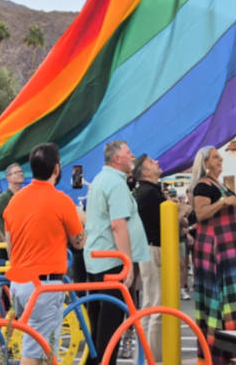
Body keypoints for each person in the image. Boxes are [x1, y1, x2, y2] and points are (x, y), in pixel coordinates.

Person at [4, 142, 84, 365]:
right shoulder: (61, 201)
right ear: (56, 169)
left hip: (18, 284)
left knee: (40, 349)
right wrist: (82, 221)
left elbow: (9, 243)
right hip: (43, 286)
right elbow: (78, 242)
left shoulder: (15, 200)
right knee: (35, 353)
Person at [84, 140, 149, 365]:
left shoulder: (103, 179)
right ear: (117, 158)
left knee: (100, 320)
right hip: (111, 260)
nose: (132, 156)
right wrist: (127, 263)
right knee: (110, 322)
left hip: (100, 258)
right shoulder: (115, 183)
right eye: (128, 152)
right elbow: (118, 225)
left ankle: (97, 361)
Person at [191, 146, 236, 365]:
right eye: (215, 157)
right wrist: (223, 202)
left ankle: (229, 351)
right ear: (205, 163)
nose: (220, 160)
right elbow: (200, 214)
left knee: (229, 298)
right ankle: (216, 352)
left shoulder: (219, 184)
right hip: (215, 249)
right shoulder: (203, 186)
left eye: (220, 157)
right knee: (217, 299)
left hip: (229, 251)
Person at [133, 153, 167, 361]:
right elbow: (165, 218)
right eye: (152, 162)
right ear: (145, 172)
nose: (157, 163)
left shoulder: (145, 192)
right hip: (155, 249)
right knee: (157, 303)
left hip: (148, 249)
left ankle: (145, 354)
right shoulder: (150, 194)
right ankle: (154, 356)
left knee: (149, 303)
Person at [0, 162, 25, 257]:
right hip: (8, 250)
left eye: (21, 171)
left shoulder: (23, 195)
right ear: (8, 178)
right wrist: (4, 240)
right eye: (16, 172)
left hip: (21, 247)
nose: (20, 174)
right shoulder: (5, 197)